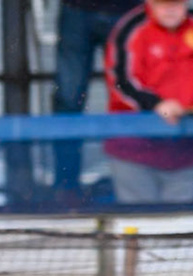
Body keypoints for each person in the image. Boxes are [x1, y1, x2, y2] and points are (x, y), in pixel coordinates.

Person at [104, 0, 193, 205]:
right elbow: (120, 79)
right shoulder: (132, 27)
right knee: (139, 223)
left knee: (179, 227)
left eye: (177, 3)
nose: (171, 9)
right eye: (163, 3)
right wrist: (157, 105)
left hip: (185, 150)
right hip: (133, 149)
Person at [53, 0, 138, 194]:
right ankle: (66, 188)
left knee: (130, 99)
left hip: (125, 10)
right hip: (78, 9)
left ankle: (133, 184)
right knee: (68, 99)